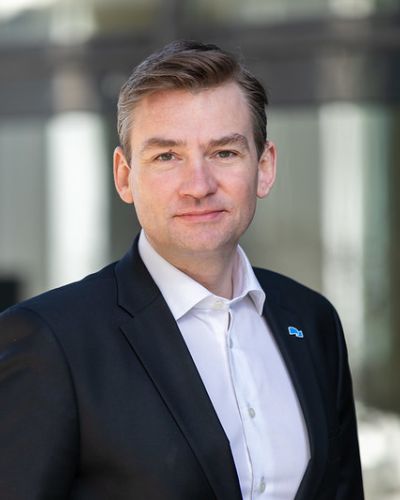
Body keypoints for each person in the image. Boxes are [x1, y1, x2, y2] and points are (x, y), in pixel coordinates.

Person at [0, 40, 364, 500]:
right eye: (166, 156)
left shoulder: (312, 321)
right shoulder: (50, 340)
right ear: (124, 177)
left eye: (224, 152)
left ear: (265, 166)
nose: (198, 186)